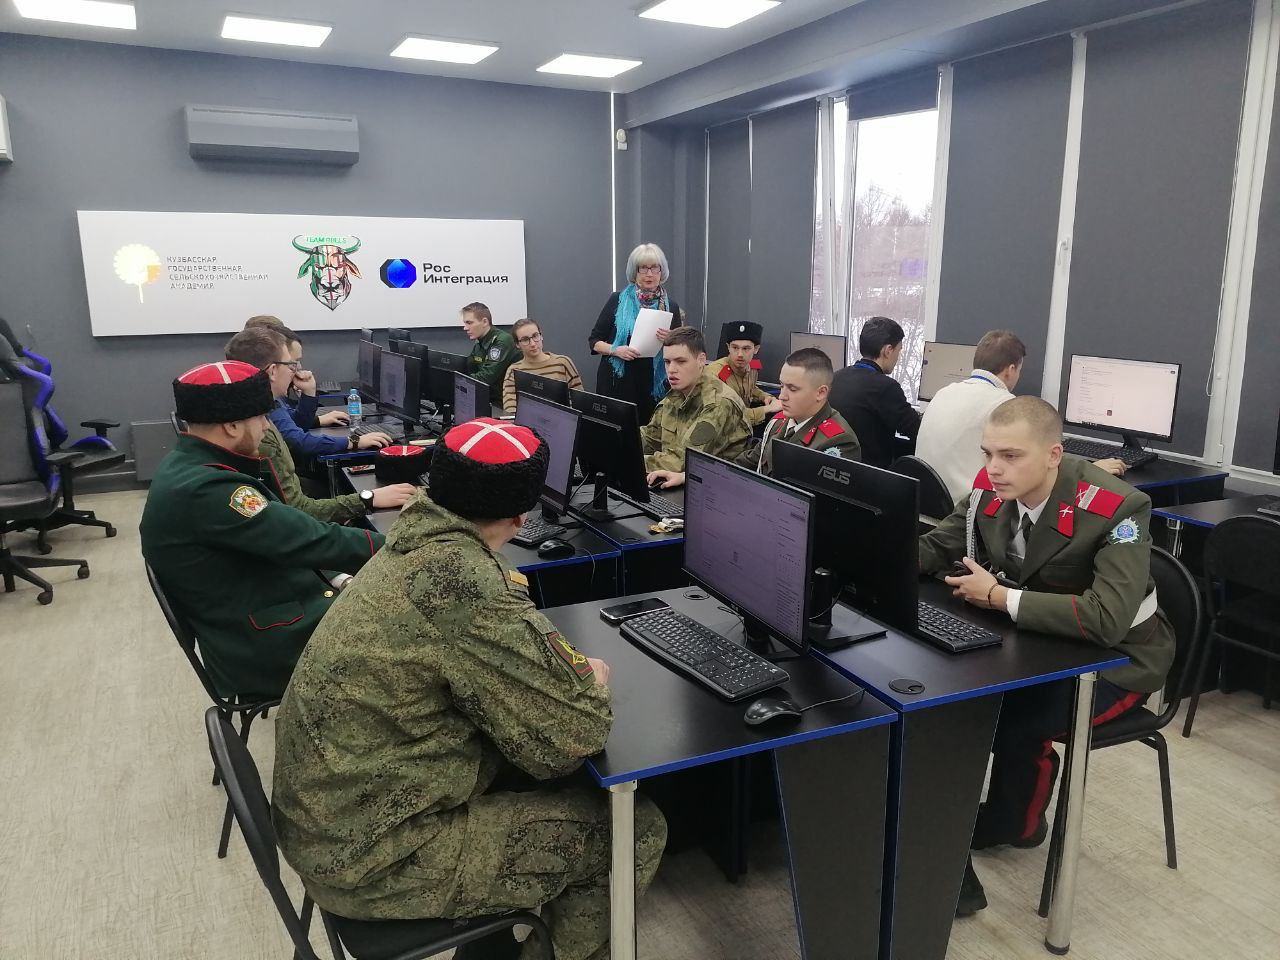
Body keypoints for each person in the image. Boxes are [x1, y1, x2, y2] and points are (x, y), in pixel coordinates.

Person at [272, 417, 667, 960]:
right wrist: (588, 680)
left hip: (333, 820)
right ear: (520, 515)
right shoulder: (462, 582)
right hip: (376, 859)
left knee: (523, 762)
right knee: (634, 830)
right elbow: (571, 738)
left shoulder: (411, 540)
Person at [918, 396, 1174, 916]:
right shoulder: (990, 491)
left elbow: (1106, 619)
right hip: (1039, 645)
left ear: (1054, 455)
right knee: (950, 704)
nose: (994, 468)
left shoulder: (1117, 508)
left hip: (1118, 659)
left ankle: (1017, 824)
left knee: (1016, 720)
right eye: (988, 453)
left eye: (1010, 456)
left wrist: (1001, 598)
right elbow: (937, 547)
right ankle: (943, 835)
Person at [140, 360, 384, 700]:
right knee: (415, 628)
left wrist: (338, 575)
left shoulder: (188, 465)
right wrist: (402, 544)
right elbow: (311, 539)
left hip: (254, 609)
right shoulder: (212, 491)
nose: (268, 428)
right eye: (262, 418)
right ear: (231, 426)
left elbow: (286, 536)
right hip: (267, 646)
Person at [225, 327, 416, 522]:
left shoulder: (259, 410)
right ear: (273, 370)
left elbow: (295, 426)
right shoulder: (262, 426)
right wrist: (368, 498)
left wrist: (310, 397)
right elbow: (299, 509)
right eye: (292, 365)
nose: (297, 371)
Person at [641, 326, 751, 489]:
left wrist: (625, 458)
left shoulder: (717, 403)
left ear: (701, 360)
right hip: (682, 484)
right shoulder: (676, 395)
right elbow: (650, 438)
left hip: (716, 491)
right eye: (667, 362)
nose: (671, 370)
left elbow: (682, 461)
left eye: (681, 361)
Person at [588, 242, 683, 425]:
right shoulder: (617, 300)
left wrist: (670, 339)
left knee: (647, 434)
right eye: (643, 268)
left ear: (662, 271)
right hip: (618, 382)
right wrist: (616, 350)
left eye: (654, 268)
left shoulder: (672, 306)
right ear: (635, 272)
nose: (649, 274)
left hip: (652, 384)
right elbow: (594, 341)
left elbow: (679, 350)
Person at [737, 347, 861, 475]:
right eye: (782, 386)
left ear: (820, 393)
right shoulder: (777, 422)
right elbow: (752, 461)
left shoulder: (839, 441)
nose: (782, 396)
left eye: (793, 389)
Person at [828, 316, 921, 467]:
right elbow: (916, 431)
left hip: (836, 465)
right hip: (870, 474)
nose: (898, 357)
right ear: (888, 350)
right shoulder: (886, 387)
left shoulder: (835, 377)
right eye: (899, 350)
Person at [245, 316, 350, 430]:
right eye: (292, 361)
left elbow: (295, 423)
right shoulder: (261, 396)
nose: (298, 367)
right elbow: (294, 437)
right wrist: (354, 440)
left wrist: (308, 393)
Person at [705, 321, 782, 427]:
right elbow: (731, 417)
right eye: (735, 348)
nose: (740, 354)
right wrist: (768, 409)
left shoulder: (753, 367)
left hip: (744, 428)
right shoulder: (716, 374)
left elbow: (750, 389)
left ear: (756, 349)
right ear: (728, 347)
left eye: (746, 348)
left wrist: (764, 397)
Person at [500, 317, 584, 414]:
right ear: (517, 344)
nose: (532, 344)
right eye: (525, 339)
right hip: (527, 422)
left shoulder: (563, 363)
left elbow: (579, 401)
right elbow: (510, 410)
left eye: (535, 336)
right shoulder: (513, 371)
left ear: (541, 336)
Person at [462, 301, 520, 391]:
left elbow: (486, 377)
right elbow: (471, 367)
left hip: (504, 397)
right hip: (487, 394)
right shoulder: (479, 342)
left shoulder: (502, 341)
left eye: (469, 323)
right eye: (465, 323)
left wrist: (460, 382)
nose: (465, 328)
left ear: (485, 322)